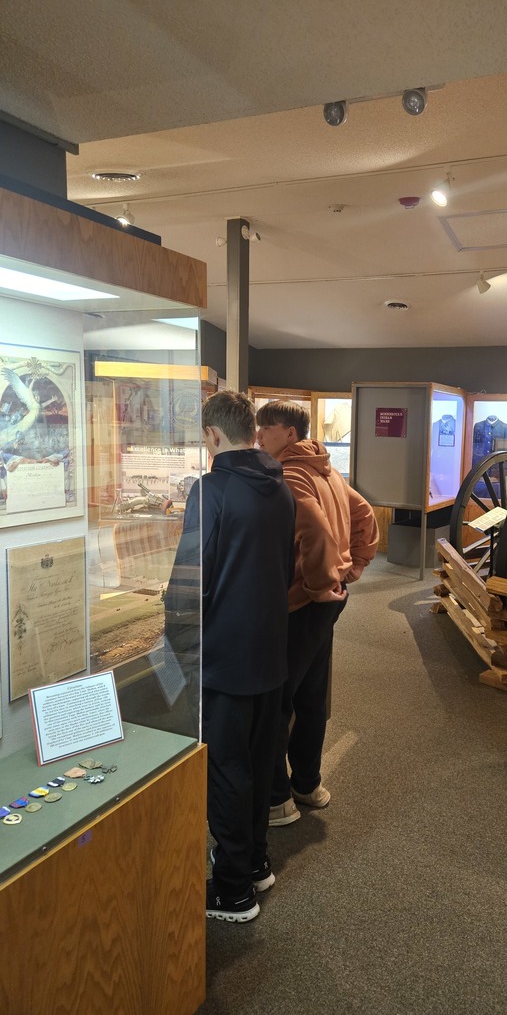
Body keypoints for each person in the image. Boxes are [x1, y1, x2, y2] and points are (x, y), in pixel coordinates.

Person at [165, 390, 295, 923]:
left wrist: (174, 644)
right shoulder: (281, 486)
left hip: (223, 655)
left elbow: (190, 578)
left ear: (212, 435)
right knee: (259, 763)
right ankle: (256, 861)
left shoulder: (211, 489)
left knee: (226, 769)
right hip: (269, 649)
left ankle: (235, 889)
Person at [254, 401, 379, 827]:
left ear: (289, 433)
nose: (259, 436)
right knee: (310, 695)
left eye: (267, 428)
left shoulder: (289, 475)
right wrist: (353, 567)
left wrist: (319, 585)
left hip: (304, 602)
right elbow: (365, 515)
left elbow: (316, 532)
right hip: (328, 601)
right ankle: (307, 783)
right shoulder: (326, 469)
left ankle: (278, 801)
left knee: (277, 701)